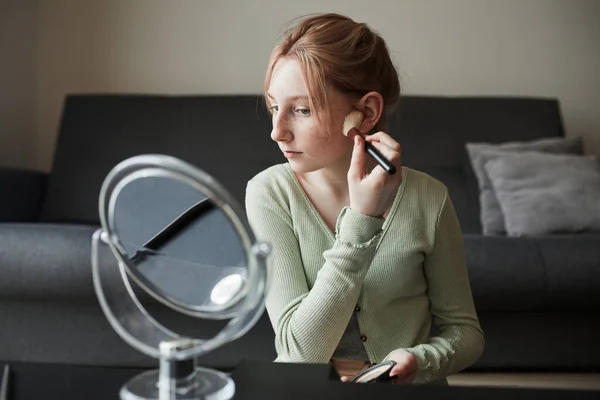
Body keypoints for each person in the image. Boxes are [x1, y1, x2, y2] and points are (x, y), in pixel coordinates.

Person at [245, 13, 484, 385]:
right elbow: (297, 354)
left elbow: (466, 333)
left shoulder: (429, 199)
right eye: (275, 106)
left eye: (302, 110)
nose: (277, 132)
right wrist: (361, 219)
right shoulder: (269, 193)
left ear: (366, 112)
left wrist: (420, 360)